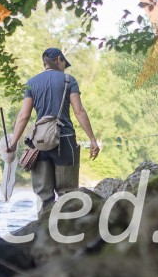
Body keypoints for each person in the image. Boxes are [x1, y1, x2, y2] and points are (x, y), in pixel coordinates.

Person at [8, 47, 100, 212]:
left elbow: (24, 115)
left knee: (44, 196)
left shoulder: (31, 84)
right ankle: (66, 234)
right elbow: (79, 111)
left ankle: (45, 233)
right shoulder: (68, 80)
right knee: (68, 195)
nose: (65, 67)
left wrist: (14, 142)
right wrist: (92, 140)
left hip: (39, 144)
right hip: (64, 141)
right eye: (65, 63)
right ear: (59, 60)